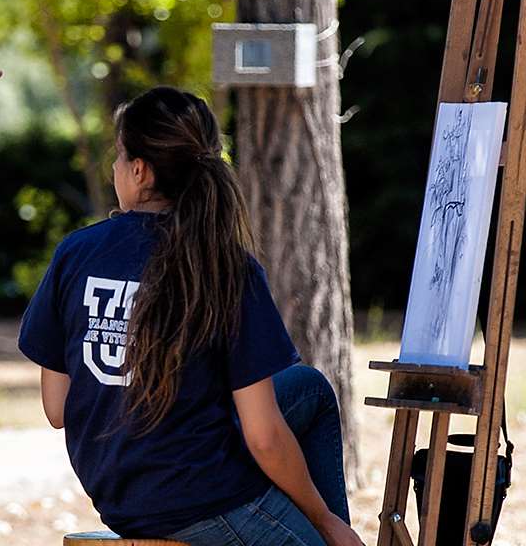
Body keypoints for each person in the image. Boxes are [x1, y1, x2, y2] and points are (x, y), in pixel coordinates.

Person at [18, 87, 364, 545]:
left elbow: (58, 409)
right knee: (306, 408)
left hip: (121, 495)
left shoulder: (76, 252)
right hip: (204, 501)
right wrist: (323, 519)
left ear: (139, 171)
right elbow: (262, 436)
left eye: (118, 158)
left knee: (308, 389)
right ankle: (335, 535)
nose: (116, 168)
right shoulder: (225, 265)